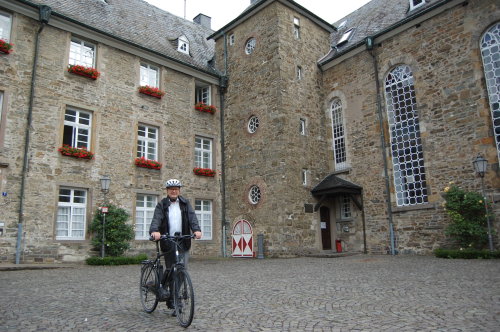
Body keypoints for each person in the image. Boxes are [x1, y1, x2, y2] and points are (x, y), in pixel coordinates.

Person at [149, 178, 202, 310]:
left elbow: (192, 217)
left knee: (181, 269)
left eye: (176, 189)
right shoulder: (162, 205)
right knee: (171, 269)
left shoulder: (185, 204)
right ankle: (166, 292)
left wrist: (196, 230)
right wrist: (155, 231)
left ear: (179, 191)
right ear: (167, 191)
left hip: (183, 241)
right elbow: (157, 219)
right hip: (168, 240)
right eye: (171, 189)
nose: (174, 191)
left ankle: (174, 298)